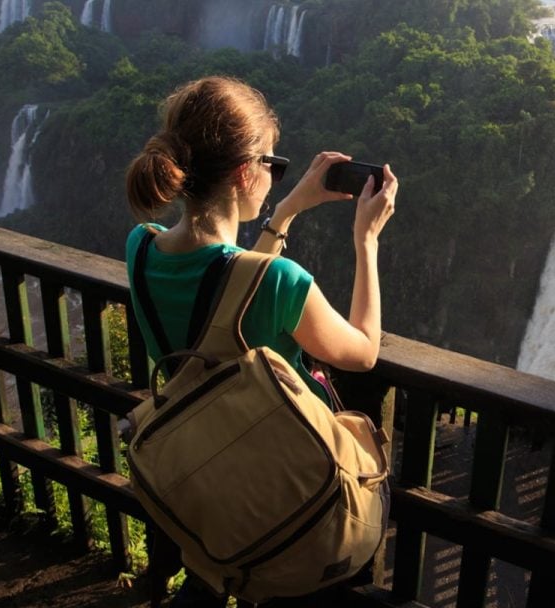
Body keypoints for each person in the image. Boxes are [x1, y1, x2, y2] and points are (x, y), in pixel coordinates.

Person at [123, 76, 397, 607]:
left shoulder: (140, 249)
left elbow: (229, 290)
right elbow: (363, 351)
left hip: (206, 473)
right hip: (285, 489)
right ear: (246, 172)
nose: (275, 176)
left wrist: (286, 211)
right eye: (273, 164)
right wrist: (366, 242)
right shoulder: (280, 282)